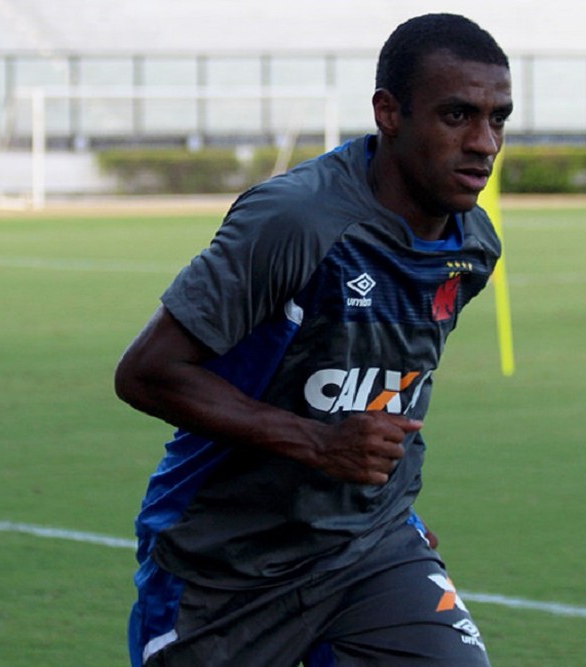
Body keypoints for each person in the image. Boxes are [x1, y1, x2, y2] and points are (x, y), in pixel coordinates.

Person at [114, 13, 512, 666]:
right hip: (224, 567)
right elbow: (146, 373)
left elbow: (388, 388)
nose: (484, 143)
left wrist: (394, 511)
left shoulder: (471, 248)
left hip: (370, 552)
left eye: (498, 119)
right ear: (389, 113)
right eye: (457, 116)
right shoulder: (296, 220)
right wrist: (318, 443)